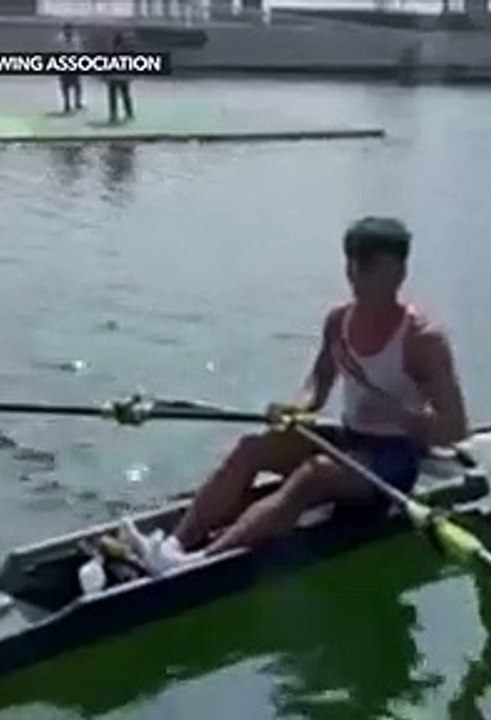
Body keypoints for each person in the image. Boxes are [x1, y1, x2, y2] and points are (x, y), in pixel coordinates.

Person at [119, 217, 470, 574]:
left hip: (394, 459)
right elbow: (318, 384)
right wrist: (296, 409)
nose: (354, 274)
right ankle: (174, 545)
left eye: (366, 265)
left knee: (313, 475)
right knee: (251, 447)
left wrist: (402, 416)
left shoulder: (423, 340)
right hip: (349, 442)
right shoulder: (339, 321)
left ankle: (198, 564)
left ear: (397, 272)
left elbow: (455, 429)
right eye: (351, 262)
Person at [103, 30, 136, 123]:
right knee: (124, 96)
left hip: (116, 77)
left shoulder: (114, 51)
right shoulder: (126, 51)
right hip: (120, 77)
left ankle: (115, 114)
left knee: (116, 97)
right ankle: (127, 113)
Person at [56, 23, 84, 114]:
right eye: (67, 30)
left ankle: (77, 102)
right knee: (65, 86)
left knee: (77, 86)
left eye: (70, 29)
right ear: (64, 30)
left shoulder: (76, 39)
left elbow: (78, 51)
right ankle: (66, 104)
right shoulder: (60, 39)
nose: (69, 31)